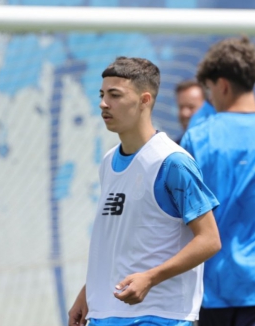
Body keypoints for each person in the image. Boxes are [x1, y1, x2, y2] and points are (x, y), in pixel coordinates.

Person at [67, 56, 221, 326]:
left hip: (159, 316)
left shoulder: (173, 161)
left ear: (144, 100)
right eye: (102, 94)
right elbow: (117, 243)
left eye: (115, 95)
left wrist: (151, 278)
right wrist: (88, 292)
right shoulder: (107, 162)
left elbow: (209, 240)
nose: (104, 103)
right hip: (105, 313)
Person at [181, 37, 255, 326]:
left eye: (210, 90)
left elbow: (182, 216)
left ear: (223, 85)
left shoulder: (197, 138)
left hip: (213, 286)